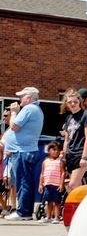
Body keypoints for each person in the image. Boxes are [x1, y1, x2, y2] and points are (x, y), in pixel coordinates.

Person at [5, 86, 45, 221]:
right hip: (25, 150)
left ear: (28, 98)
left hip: (23, 151)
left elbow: (14, 126)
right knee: (26, 181)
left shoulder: (28, 109)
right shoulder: (36, 110)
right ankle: (25, 211)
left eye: (22, 96)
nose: (19, 99)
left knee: (23, 182)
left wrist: (14, 112)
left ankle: (23, 212)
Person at [60, 89, 87, 191]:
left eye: (75, 101)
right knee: (75, 187)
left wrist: (84, 157)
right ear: (66, 103)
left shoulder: (85, 115)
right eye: (70, 102)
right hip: (70, 155)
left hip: (80, 153)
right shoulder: (69, 118)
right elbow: (67, 139)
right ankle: (81, 206)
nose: (72, 104)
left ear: (79, 102)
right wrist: (64, 156)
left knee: (72, 185)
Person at [38, 141, 65, 223]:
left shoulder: (60, 161)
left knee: (57, 202)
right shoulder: (45, 162)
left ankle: (57, 217)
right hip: (47, 184)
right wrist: (40, 184)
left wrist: (61, 184)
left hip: (56, 185)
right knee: (48, 201)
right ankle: (48, 217)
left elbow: (63, 172)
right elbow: (42, 173)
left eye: (57, 150)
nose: (56, 151)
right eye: (54, 149)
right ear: (49, 150)